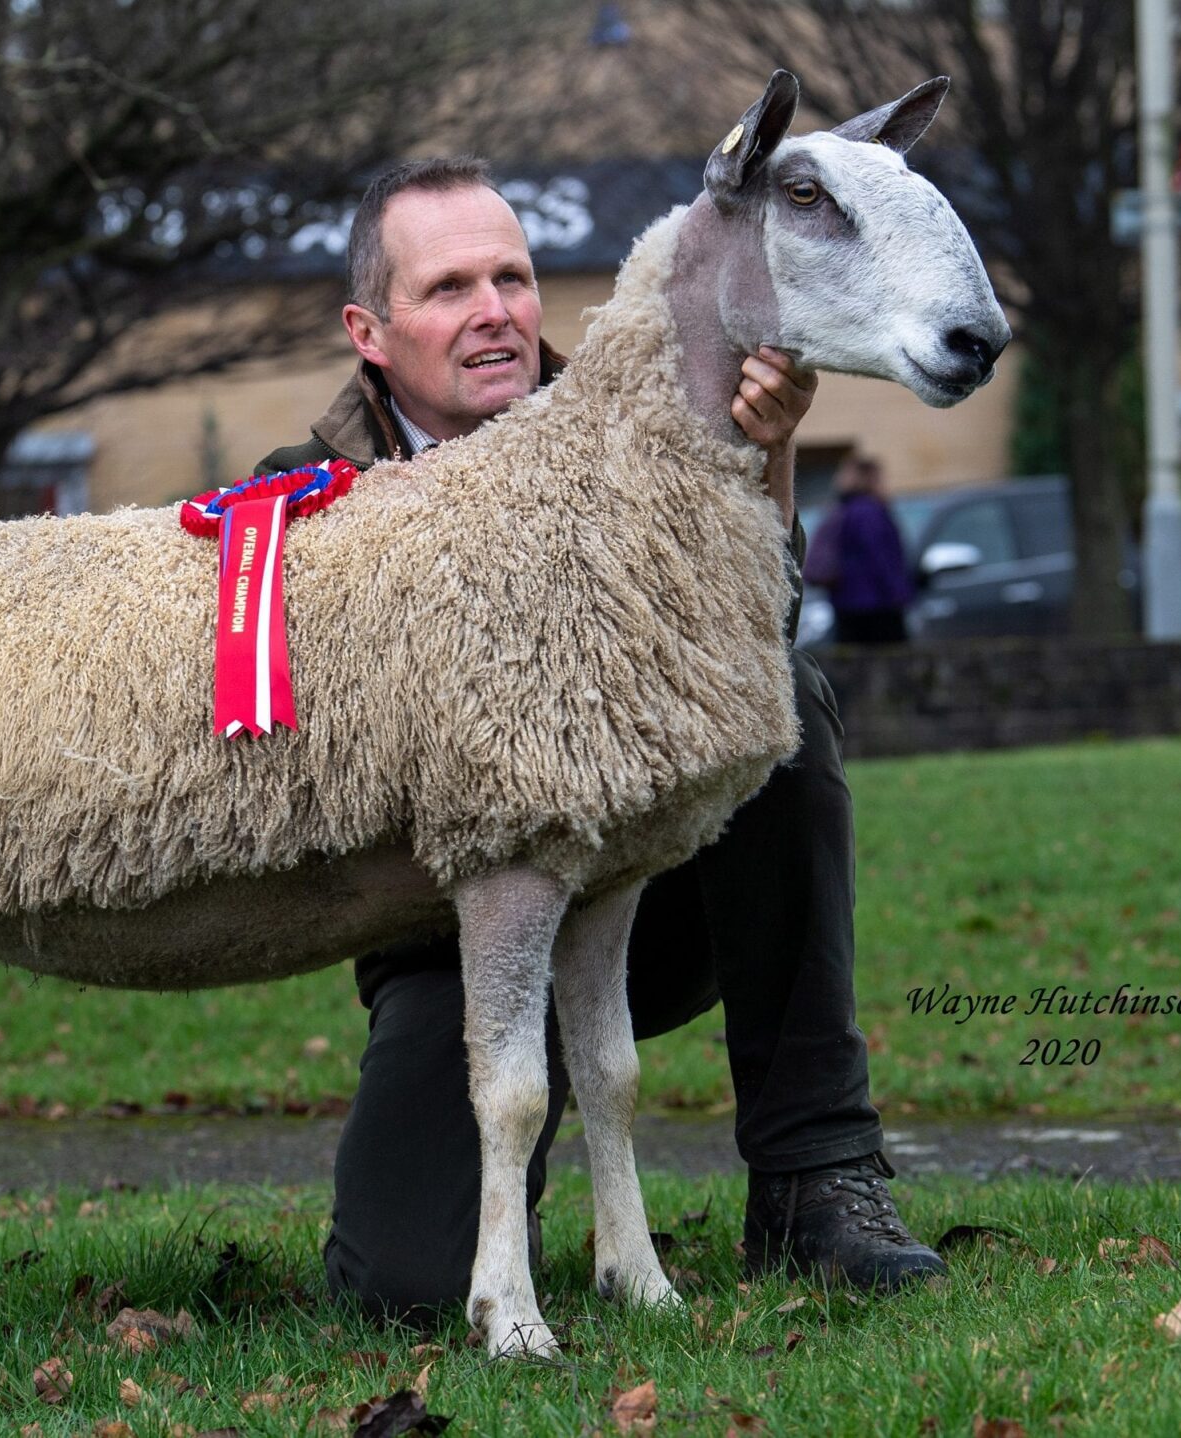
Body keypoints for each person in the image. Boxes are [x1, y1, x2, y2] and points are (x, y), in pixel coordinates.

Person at [257, 157, 944, 1317]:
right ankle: (491, 1170)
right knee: (402, 1288)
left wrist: (765, 452)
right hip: (443, 936)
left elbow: (749, 640)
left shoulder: (646, 418)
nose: (495, 312)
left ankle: (815, 1179)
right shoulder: (301, 498)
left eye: (512, 277)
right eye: (449, 288)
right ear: (369, 331)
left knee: (780, 702)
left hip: (647, 899)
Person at [807, 458, 917, 645]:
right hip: (875, 605)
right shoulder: (869, 512)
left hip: (846, 602)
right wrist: (899, 593)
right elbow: (880, 557)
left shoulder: (842, 509)